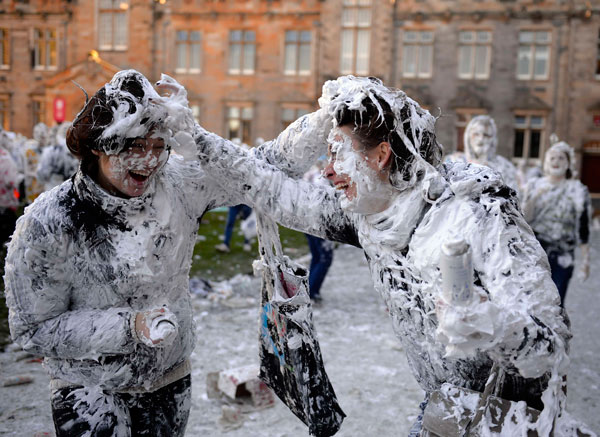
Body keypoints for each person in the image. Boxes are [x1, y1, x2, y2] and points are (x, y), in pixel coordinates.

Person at [192, 76, 573, 434]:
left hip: (516, 417)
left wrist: (492, 323)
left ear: (381, 156)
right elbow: (274, 190)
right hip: (445, 404)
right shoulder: (372, 217)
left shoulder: (476, 214)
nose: (326, 171)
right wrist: (194, 138)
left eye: (337, 153)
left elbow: (550, 347)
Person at [3, 69, 331, 437]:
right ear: (99, 145)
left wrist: (328, 117)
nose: (148, 161)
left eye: (158, 147)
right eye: (134, 147)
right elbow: (33, 328)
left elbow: (262, 167)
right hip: (88, 386)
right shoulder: (51, 220)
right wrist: (130, 327)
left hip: (169, 378)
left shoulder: (179, 185)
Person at [522, 141, 592, 307]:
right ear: (545, 162)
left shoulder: (577, 190)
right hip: (535, 251)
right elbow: (523, 219)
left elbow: (583, 228)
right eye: (552, 157)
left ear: (568, 163)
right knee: (531, 300)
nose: (556, 161)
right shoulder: (534, 185)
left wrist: (586, 261)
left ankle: (551, 332)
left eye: (561, 158)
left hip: (563, 254)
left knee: (555, 301)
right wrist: (536, 196)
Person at [446, 115, 520, 194]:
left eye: (486, 135)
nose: (481, 140)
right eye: (476, 134)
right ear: (468, 136)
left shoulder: (505, 167)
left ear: (493, 139)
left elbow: (514, 197)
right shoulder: (453, 162)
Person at [303, 162, 334, 302]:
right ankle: (312, 292)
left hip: (307, 221)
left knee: (317, 256)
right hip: (319, 223)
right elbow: (323, 202)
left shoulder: (310, 174)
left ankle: (310, 290)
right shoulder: (320, 179)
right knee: (325, 257)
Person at [37, 121, 79, 192]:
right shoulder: (78, 152)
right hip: (72, 192)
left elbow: (41, 174)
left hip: (52, 191)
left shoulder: (50, 151)